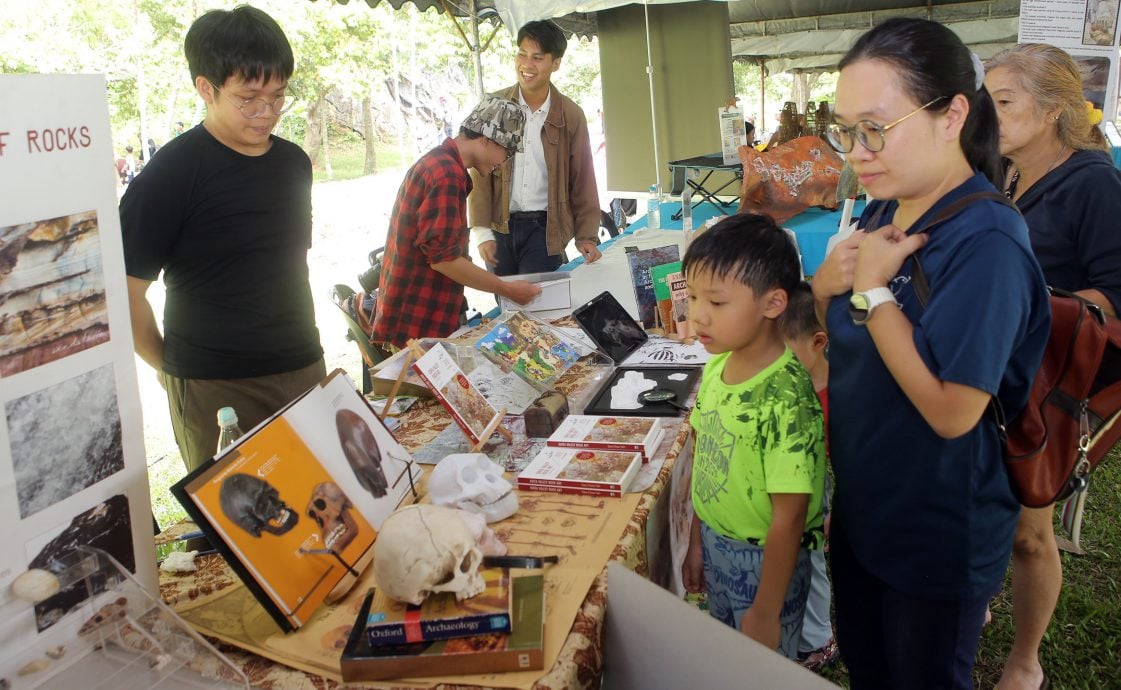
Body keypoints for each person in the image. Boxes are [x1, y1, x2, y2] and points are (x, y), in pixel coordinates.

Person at [813, 17, 1051, 689]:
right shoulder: (881, 211)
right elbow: (835, 335)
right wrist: (823, 286)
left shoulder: (987, 245)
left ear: (951, 115)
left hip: (935, 527)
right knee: (871, 668)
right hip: (866, 507)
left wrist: (872, 295)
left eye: (875, 128)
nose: (856, 151)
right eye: (846, 131)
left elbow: (951, 411)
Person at [120, 5, 324, 471]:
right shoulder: (168, 176)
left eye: (277, 97)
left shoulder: (293, 162)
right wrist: (171, 370)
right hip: (217, 387)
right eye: (249, 98)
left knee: (324, 509)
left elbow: (285, 264)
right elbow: (126, 294)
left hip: (302, 364)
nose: (266, 113)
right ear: (206, 88)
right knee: (238, 527)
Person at [984, 43, 1121, 690]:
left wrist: (1028, 304)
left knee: (1028, 532)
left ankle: (1024, 661)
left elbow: (1116, 292)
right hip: (990, 368)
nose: (988, 114)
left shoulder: (1092, 182)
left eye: (1002, 102)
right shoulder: (997, 173)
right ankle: (978, 592)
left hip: (1047, 385)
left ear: (1053, 110)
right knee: (980, 501)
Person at [681, 215, 826, 660]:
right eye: (692, 297)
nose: (697, 315)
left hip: (766, 563)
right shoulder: (714, 369)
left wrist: (766, 611)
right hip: (717, 545)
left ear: (772, 303)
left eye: (717, 303)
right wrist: (695, 541)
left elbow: (791, 514)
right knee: (729, 660)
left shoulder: (785, 397)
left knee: (761, 670)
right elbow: (707, 457)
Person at [369, 95, 541, 350]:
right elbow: (444, 260)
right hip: (417, 323)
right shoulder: (447, 175)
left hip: (415, 313)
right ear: (487, 139)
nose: (502, 164)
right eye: (506, 154)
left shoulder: (439, 162)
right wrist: (508, 289)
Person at [468, 20, 602, 275]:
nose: (526, 65)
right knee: (506, 305)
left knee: (537, 304)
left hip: (545, 229)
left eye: (537, 58)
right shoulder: (493, 105)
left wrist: (586, 235)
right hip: (499, 227)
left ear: (556, 63)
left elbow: (583, 177)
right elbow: (478, 170)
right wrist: (482, 231)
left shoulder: (570, 115)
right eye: (522, 54)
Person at [780, 282, 838, 673]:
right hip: (793, 485)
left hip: (819, 491)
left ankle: (818, 640)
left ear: (818, 342)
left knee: (811, 561)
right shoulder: (792, 382)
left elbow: (850, 466)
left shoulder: (840, 397)